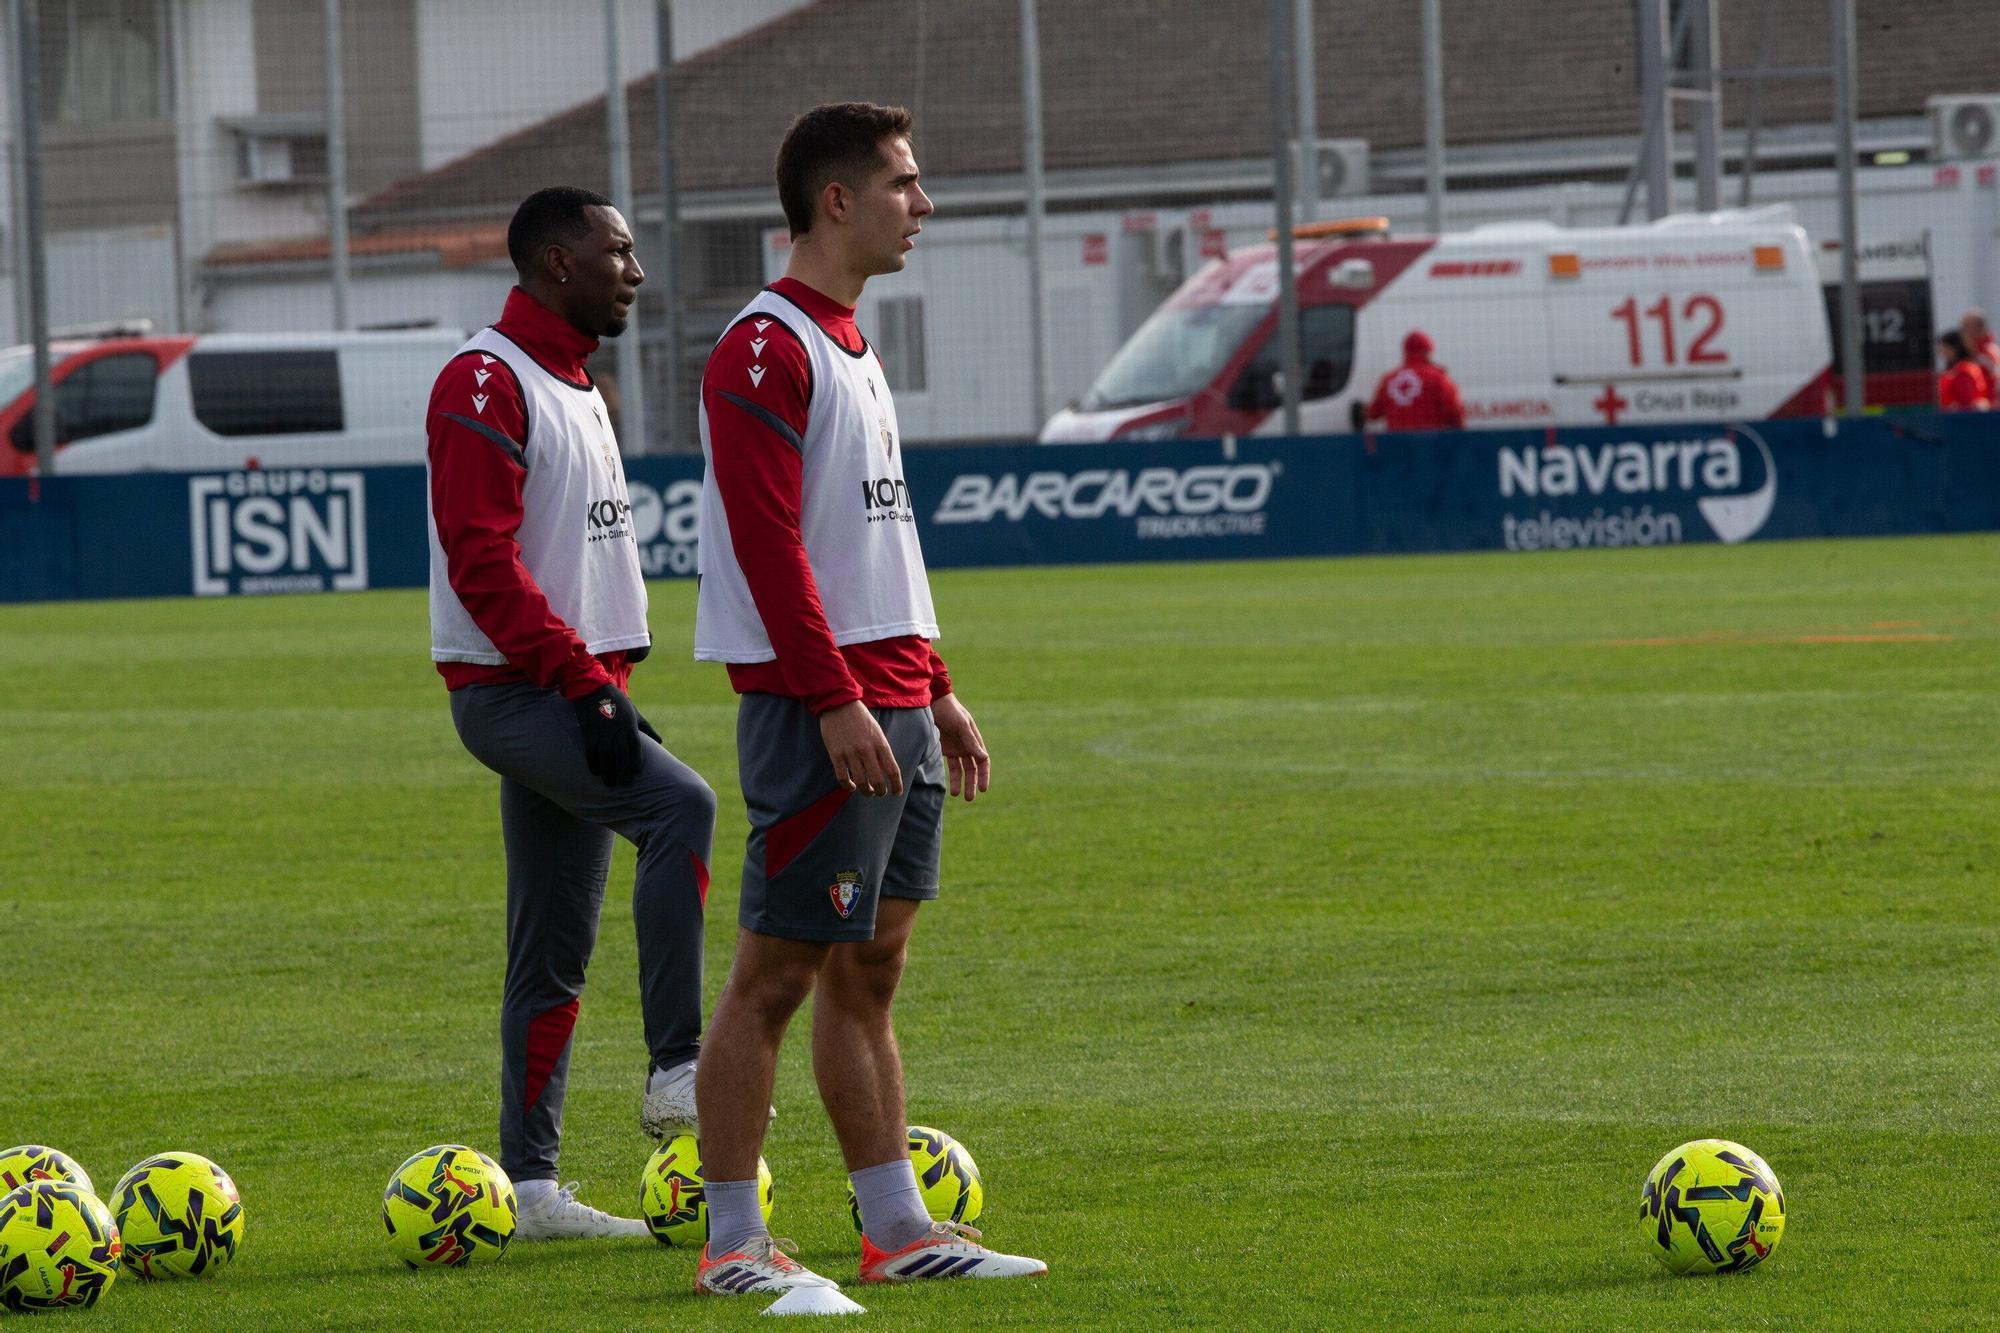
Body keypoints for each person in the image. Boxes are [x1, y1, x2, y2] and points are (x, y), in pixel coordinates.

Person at [687, 103, 1047, 1296]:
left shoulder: (849, 340)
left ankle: (897, 1230)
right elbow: (768, 545)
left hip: (891, 699)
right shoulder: (764, 345)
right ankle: (732, 1245)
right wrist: (837, 698)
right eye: (902, 182)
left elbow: (874, 541)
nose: (922, 204)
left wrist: (934, 688)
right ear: (835, 200)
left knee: (870, 971)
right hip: (818, 709)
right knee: (772, 973)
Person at [425, 185, 718, 1240]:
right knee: (680, 807)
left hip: (571, 689)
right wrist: (581, 681)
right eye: (620, 252)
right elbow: (481, 560)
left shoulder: (572, 383)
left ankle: (533, 1189)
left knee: (549, 943)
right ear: (558, 263)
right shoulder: (485, 378)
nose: (635, 270)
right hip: (514, 692)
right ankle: (680, 1069)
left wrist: (602, 681)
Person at [1363, 330, 1465, 432]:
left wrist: (1363, 411)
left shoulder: (1389, 380)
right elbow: (1455, 413)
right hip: (1431, 444)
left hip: (1396, 445)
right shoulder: (1438, 379)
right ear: (1428, 351)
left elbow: (1373, 413)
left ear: (1405, 351)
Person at [1936, 329, 1993, 411]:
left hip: (1962, 419)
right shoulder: (1955, 369)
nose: (1943, 353)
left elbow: (1967, 402)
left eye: (1945, 349)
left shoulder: (1964, 370)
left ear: (1956, 349)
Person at [1959, 310, 1999, 384]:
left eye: (1967, 328)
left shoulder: (1989, 353)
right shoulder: (1970, 353)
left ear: (1981, 330)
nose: (1963, 333)